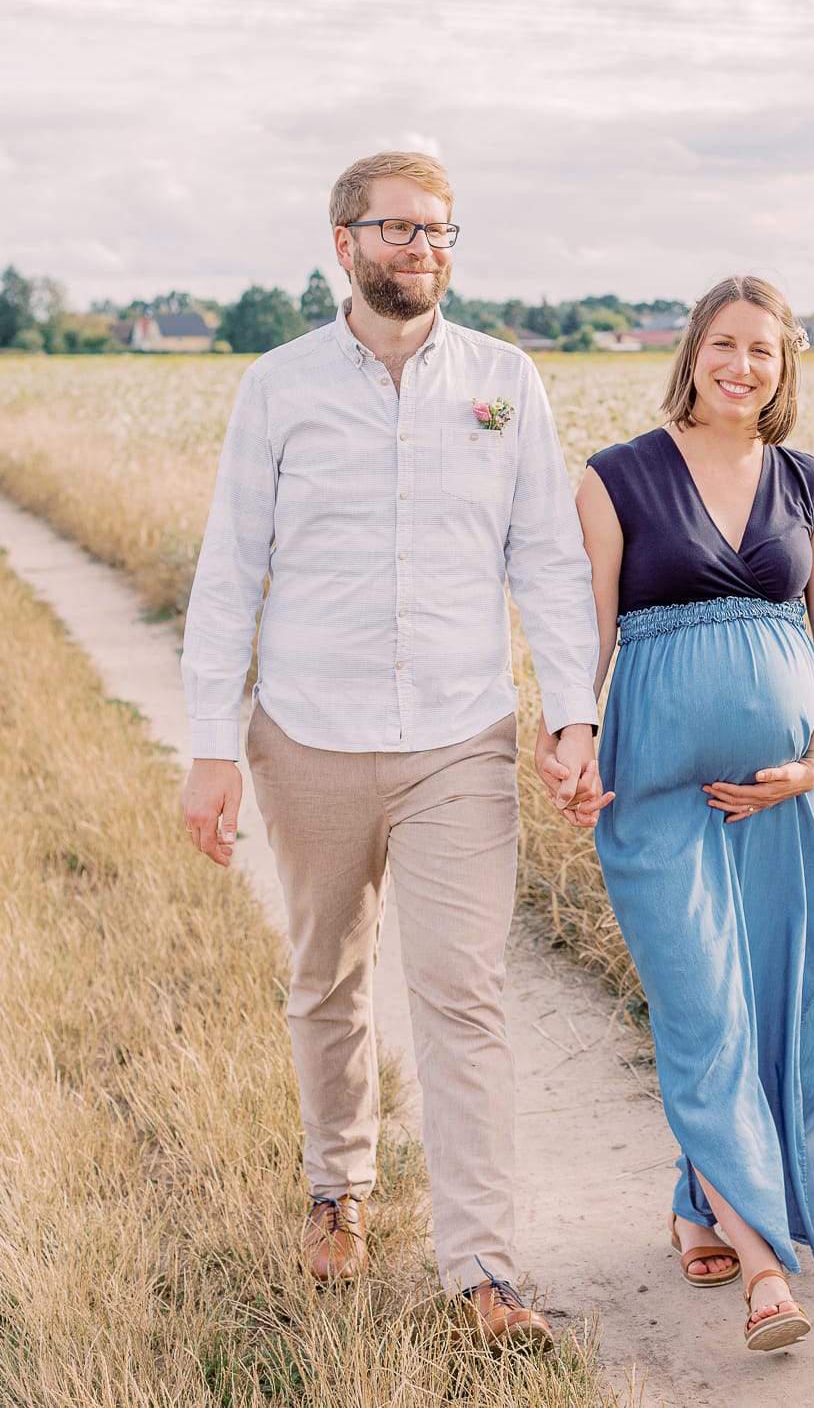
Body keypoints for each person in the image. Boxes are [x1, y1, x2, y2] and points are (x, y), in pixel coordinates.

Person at [180, 149, 608, 1350]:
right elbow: (231, 574)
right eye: (401, 230)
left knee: (462, 994)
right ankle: (339, 1190)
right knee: (325, 977)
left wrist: (573, 715)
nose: (425, 250)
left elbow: (547, 564)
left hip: (457, 743)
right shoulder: (277, 387)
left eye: (442, 232)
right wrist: (213, 746)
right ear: (345, 244)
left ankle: (485, 1269)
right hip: (305, 735)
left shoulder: (504, 383)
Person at [538, 274, 814, 1354]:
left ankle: (699, 1205)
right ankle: (767, 1268)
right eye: (725, 345)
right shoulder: (615, 477)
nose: (742, 366)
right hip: (657, 789)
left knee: (775, 1007)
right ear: (692, 352)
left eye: (763, 352)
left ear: (785, 366)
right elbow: (585, 633)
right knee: (703, 1012)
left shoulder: (810, 485)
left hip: (783, 800)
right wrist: (571, 737)